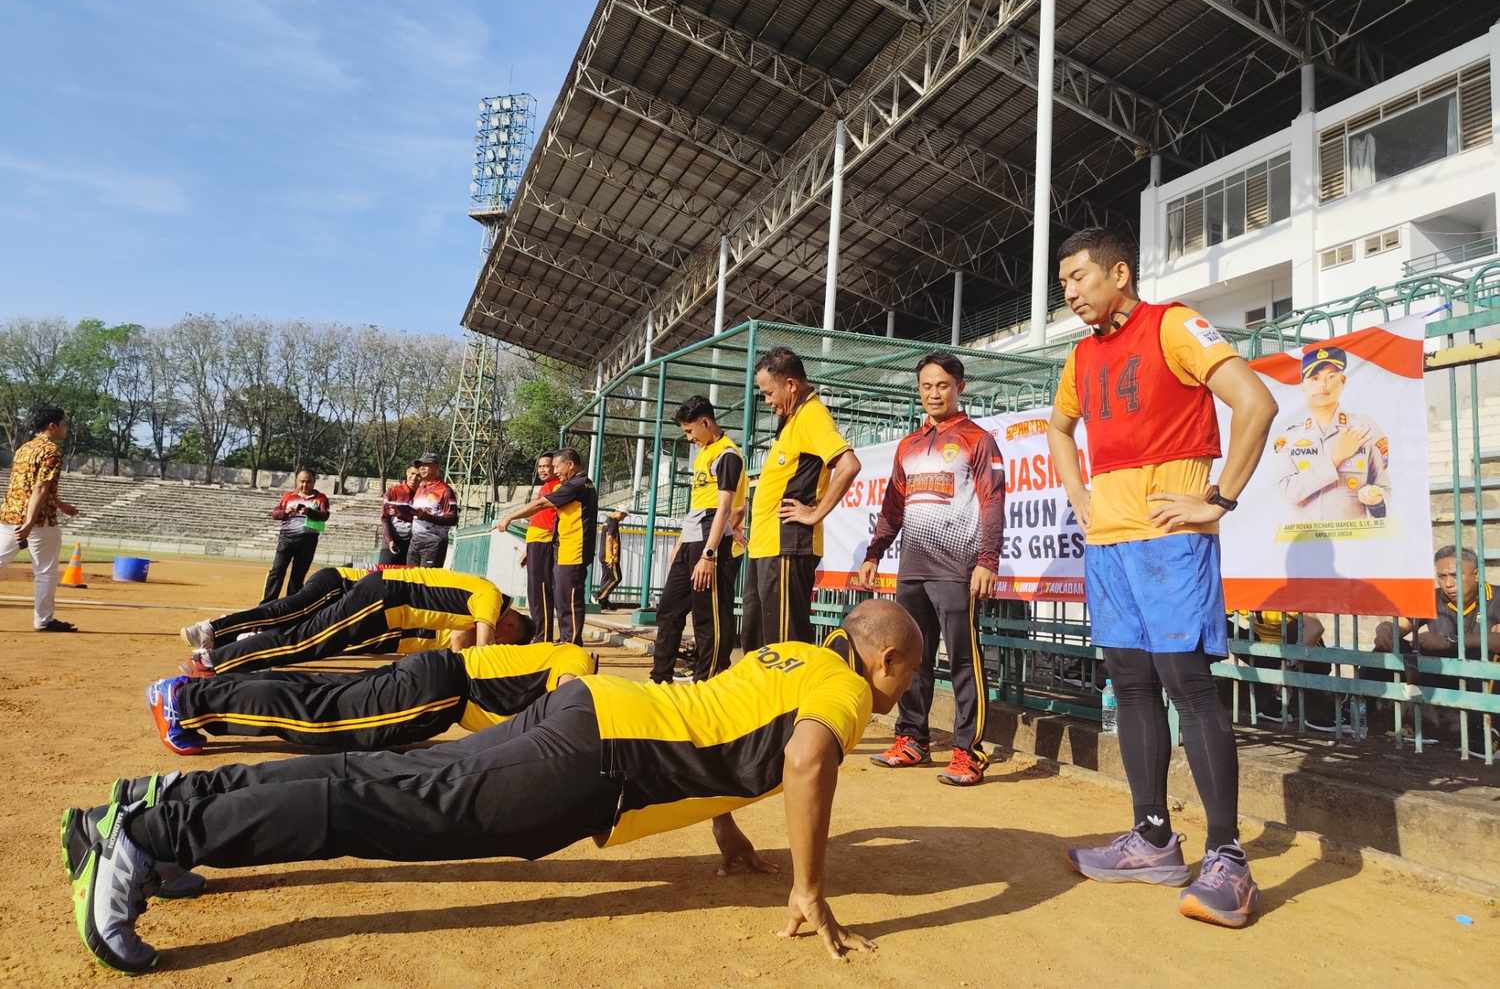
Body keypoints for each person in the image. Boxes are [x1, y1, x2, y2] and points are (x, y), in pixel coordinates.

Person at [64, 599, 922, 974]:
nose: (901, 694)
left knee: (380, 776)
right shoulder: (849, 691)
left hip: (596, 713)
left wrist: (730, 832)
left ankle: (155, 808)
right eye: (908, 677)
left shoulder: (799, 655)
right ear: (885, 660)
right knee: (383, 801)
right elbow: (804, 762)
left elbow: (727, 722)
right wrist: (811, 888)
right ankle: (143, 840)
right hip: (598, 760)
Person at [1046, 227, 1277, 928]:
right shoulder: (1080, 355)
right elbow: (1060, 428)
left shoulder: (1173, 325)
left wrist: (1219, 499)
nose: (1071, 290)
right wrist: (1080, 497)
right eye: (1063, 283)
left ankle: (1229, 859)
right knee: (1132, 682)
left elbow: (1257, 402)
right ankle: (1152, 838)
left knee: (1188, 683)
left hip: (1171, 539)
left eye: (1080, 276)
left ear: (1120, 272)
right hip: (1111, 541)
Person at [860, 352, 1005, 787]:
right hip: (913, 569)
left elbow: (993, 502)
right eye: (926, 386)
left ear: (960, 387)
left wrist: (987, 561)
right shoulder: (907, 446)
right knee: (911, 659)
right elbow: (892, 507)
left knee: (963, 660)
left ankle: (968, 751)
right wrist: (874, 553)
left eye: (942, 385)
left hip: (957, 570)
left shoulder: (978, 440)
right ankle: (912, 739)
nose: (933, 393)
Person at [148, 639, 603, 756]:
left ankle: (193, 695)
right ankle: (185, 703)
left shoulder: (554, 653)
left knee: (317, 695)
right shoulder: (578, 660)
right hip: (439, 693)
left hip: (435, 677)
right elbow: (572, 694)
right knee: (322, 718)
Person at [179, 568, 526, 682]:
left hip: (381, 604)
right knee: (302, 640)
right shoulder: (490, 597)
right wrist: (488, 674)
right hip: (380, 598)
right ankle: (212, 660)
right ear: (511, 628)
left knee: (305, 640)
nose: (499, 641)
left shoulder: (479, 595)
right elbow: (482, 648)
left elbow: (459, 646)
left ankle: (219, 653)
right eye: (506, 642)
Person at [743, 348, 860, 649]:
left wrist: (814, 513)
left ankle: (792, 697)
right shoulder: (793, 419)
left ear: (791, 385)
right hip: (766, 547)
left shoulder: (812, 415)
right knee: (759, 641)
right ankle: (765, 697)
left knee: (785, 645)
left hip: (787, 547)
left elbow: (848, 465)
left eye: (769, 393)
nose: (767, 401)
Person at [650, 397, 747, 684]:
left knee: (710, 615)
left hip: (713, 538)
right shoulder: (704, 452)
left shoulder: (728, 455)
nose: (689, 438)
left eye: (691, 431)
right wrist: (681, 544)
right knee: (669, 609)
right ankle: (660, 677)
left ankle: (709, 680)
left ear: (706, 422)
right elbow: (697, 503)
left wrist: (709, 554)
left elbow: (725, 508)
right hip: (693, 533)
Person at [1361, 546, 1500, 730]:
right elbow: (1401, 626)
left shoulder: (1496, 597)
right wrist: (1386, 630)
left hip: (1481, 679)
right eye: (1442, 577)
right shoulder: (1432, 598)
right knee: (1384, 650)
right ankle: (1360, 712)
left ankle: (1488, 728)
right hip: (1441, 674)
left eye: (1455, 575)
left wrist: (1450, 641)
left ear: (1475, 574)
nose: (1449, 584)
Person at [1275, 346, 1391, 524]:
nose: (1323, 385)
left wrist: (1376, 501)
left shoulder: (1365, 428)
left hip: (1354, 541)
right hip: (1305, 541)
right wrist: (1335, 459)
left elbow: (1386, 489)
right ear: (1302, 386)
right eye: (1314, 378)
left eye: (1331, 377)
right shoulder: (1289, 438)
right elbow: (1288, 493)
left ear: (1343, 380)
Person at [497, 448, 598, 647]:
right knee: (562, 596)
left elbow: (541, 505)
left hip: (574, 550)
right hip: (564, 548)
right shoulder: (572, 484)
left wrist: (509, 517)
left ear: (570, 464)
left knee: (569, 598)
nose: (554, 471)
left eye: (556, 466)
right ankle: (566, 638)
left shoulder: (576, 485)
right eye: (544, 466)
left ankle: (571, 643)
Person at [1, 406, 81, 632]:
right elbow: (40, 487)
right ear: (52, 426)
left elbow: (26, 485)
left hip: (9, 513)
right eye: (63, 423)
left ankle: (44, 619)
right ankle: (43, 620)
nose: (65, 428)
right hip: (38, 520)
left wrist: (60, 504)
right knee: (45, 571)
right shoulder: (51, 451)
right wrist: (28, 522)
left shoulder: (23, 449)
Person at [180, 565, 366, 651]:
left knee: (299, 628)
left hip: (349, 600)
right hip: (338, 582)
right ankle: (210, 630)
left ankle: (228, 643)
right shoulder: (393, 573)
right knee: (290, 611)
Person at [262, 470, 330, 602]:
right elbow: (275, 514)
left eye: (308, 482)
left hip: (308, 541)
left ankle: (291, 605)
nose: (305, 485)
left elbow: (325, 516)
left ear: (314, 482)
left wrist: (309, 512)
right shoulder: (289, 496)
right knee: (277, 571)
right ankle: (267, 604)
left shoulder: (321, 498)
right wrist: (286, 512)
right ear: (297, 481)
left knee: (298, 575)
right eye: (302, 481)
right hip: (286, 539)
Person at [517, 453, 559, 640]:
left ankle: (543, 636)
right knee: (534, 592)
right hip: (535, 542)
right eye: (540, 466)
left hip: (545, 541)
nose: (542, 469)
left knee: (541, 590)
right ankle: (540, 633)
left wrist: (510, 517)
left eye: (546, 466)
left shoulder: (557, 487)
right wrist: (528, 549)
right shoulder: (545, 487)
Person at [407, 452, 459, 567]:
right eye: (420, 465)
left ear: (436, 467)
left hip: (434, 543)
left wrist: (427, 516)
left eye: (426, 465)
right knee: (410, 581)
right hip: (415, 541)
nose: (422, 468)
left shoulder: (445, 490)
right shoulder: (420, 487)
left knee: (427, 581)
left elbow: (453, 519)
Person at [379, 465, 421, 566]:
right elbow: (385, 518)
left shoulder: (423, 495)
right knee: (382, 575)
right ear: (407, 473)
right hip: (392, 541)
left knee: (407, 578)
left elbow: (423, 518)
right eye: (412, 474)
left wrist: (400, 513)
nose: (414, 478)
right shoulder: (393, 491)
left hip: (412, 545)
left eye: (418, 475)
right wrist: (389, 540)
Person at [595, 509, 627, 610]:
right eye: (624, 516)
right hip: (609, 557)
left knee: (606, 578)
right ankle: (598, 596)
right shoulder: (613, 523)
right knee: (616, 578)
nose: (623, 519)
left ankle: (603, 603)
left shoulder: (607, 520)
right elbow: (609, 540)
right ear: (620, 513)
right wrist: (611, 558)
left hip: (603, 555)